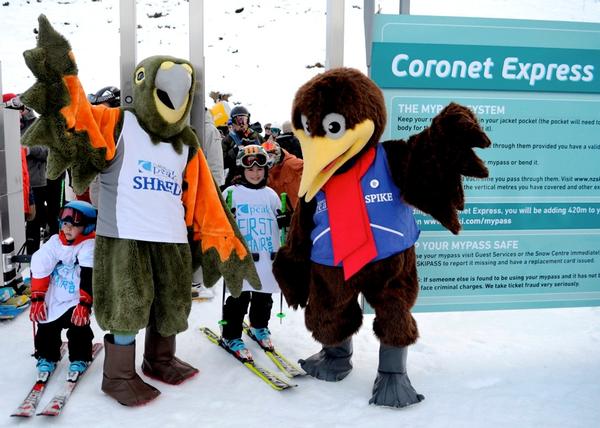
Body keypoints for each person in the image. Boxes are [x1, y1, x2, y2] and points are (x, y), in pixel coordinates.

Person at [220, 145, 290, 359]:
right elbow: (218, 222)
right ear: (241, 170)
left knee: (263, 295)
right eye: (250, 169)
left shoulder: (270, 195)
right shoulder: (231, 193)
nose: (255, 173)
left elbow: (281, 222)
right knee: (238, 297)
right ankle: (230, 335)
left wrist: (285, 220)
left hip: (267, 256)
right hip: (242, 258)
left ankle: (259, 326)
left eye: (260, 168)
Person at [29, 200, 97, 375]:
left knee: (79, 328)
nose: (67, 228)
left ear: (87, 227)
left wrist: (85, 304)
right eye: (65, 223)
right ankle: (46, 355)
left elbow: (89, 274)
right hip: (55, 296)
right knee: (47, 326)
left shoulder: (89, 245)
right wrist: (37, 297)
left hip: (76, 299)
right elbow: (40, 264)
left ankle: (80, 356)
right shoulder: (54, 242)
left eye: (74, 225)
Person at [191, 109, 226, 300]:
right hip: (194, 186)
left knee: (198, 233)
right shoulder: (201, 127)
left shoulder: (207, 129)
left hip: (202, 188)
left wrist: (213, 190)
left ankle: (197, 280)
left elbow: (214, 164)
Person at [222, 105, 263, 187]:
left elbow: (267, 156)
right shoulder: (228, 139)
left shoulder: (256, 136)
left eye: (244, 120)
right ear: (233, 122)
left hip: (256, 177)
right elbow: (222, 162)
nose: (242, 124)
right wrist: (236, 151)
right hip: (236, 179)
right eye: (238, 121)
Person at [262, 141, 303, 211]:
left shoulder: (291, 163)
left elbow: (312, 170)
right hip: (283, 214)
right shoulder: (266, 174)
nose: (269, 158)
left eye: (271, 154)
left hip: (301, 210)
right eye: (266, 156)